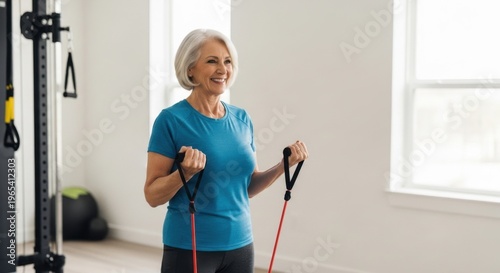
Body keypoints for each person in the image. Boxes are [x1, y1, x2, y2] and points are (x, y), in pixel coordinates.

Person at [144, 29, 308, 273]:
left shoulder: (242, 119)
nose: (223, 69)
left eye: (228, 61)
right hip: (190, 247)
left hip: (240, 246)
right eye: (212, 61)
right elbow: (152, 196)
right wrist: (184, 174)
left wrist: (283, 166)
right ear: (191, 69)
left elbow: (249, 187)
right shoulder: (171, 121)